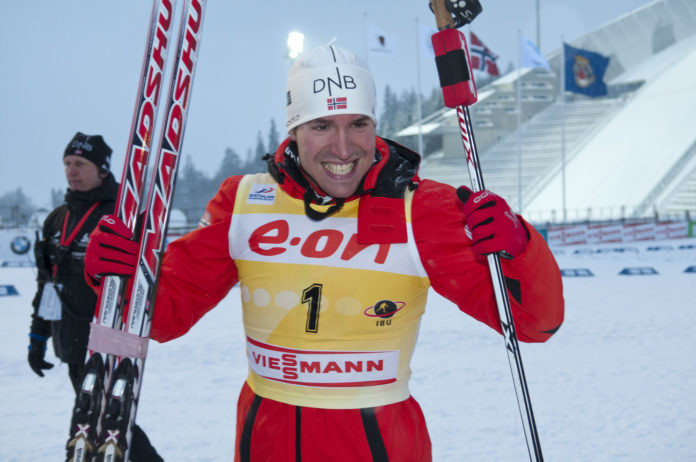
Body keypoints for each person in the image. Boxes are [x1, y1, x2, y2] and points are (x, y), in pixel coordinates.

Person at [85, 41, 564, 462]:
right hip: (264, 440)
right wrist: (119, 274)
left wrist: (519, 248)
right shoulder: (245, 202)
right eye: (320, 126)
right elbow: (162, 315)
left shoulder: (423, 209)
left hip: (377, 445)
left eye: (358, 123)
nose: (342, 147)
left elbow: (533, 322)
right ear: (293, 130)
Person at [28, 132, 163, 461]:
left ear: (102, 169)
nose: (71, 170)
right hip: (71, 338)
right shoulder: (56, 219)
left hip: (108, 339)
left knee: (111, 419)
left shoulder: (123, 213)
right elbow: (47, 281)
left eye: (80, 164)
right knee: (93, 422)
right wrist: (38, 337)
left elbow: (149, 275)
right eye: (67, 163)